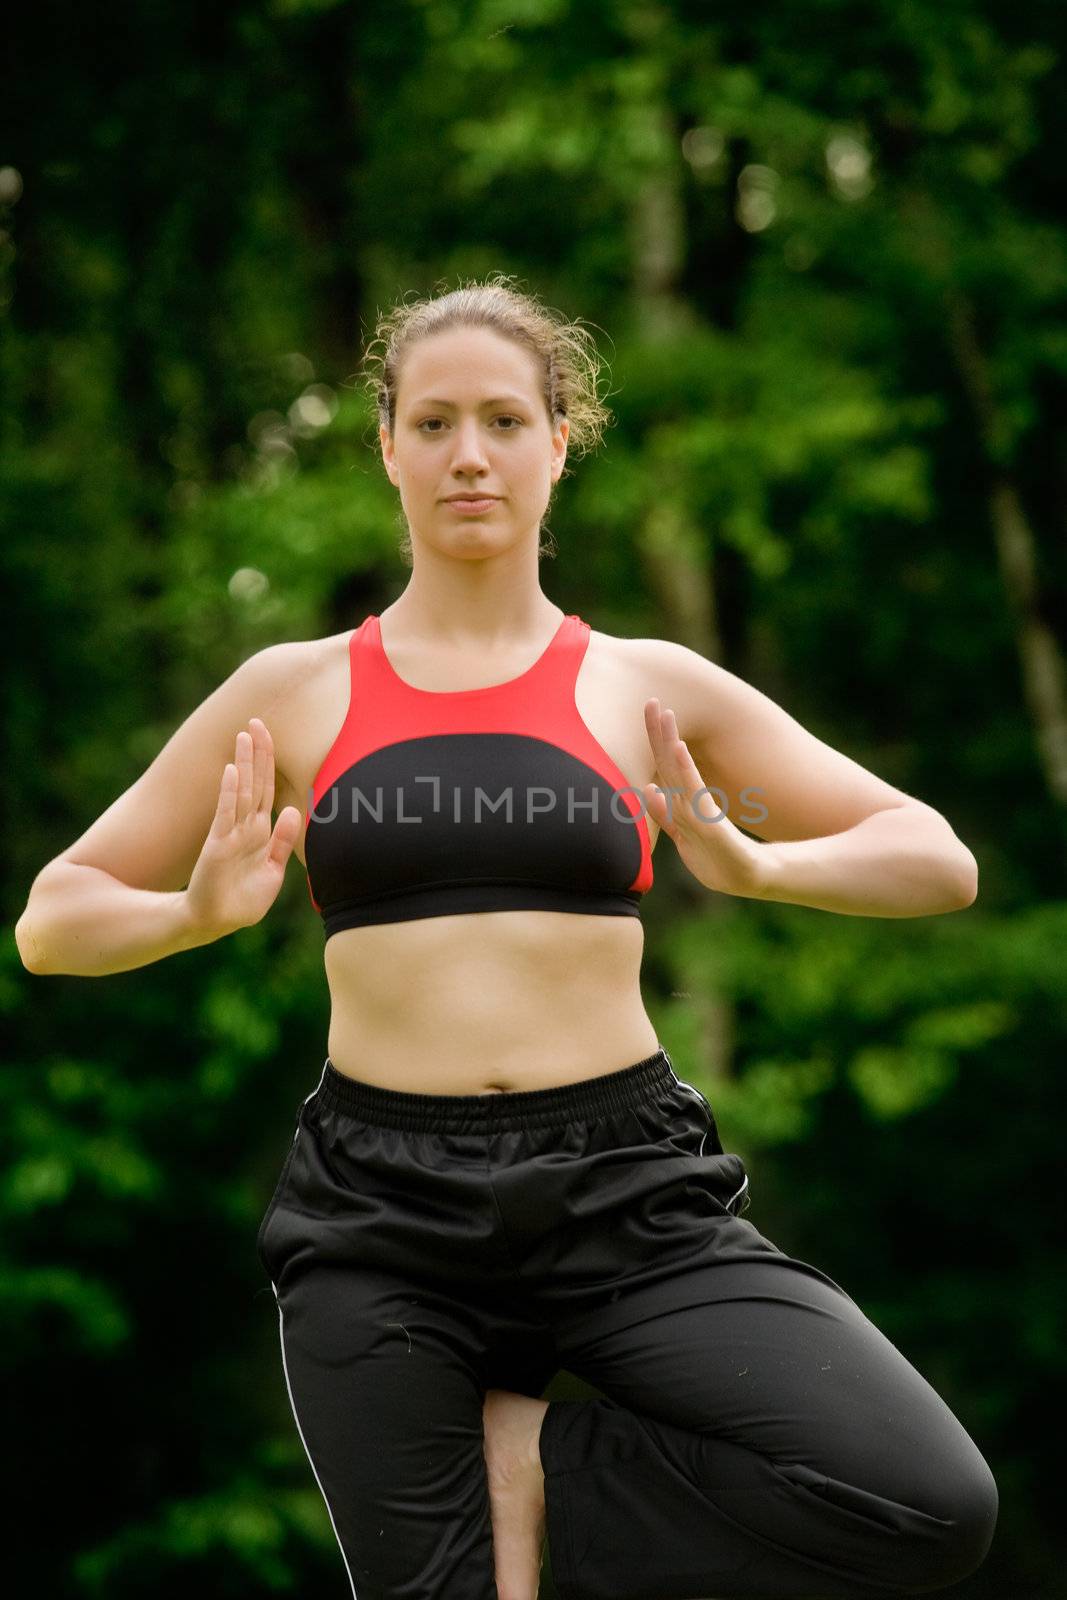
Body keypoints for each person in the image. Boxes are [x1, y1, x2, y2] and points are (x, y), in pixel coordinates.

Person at [16, 276, 997, 1600]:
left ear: (559, 440)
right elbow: (53, 917)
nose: (467, 454)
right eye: (431, 424)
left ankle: (535, 1467)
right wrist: (190, 912)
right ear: (385, 447)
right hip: (382, 1220)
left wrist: (755, 860)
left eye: (500, 420)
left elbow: (933, 858)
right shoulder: (293, 693)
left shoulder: (642, 685)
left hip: (627, 1199)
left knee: (922, 1500)